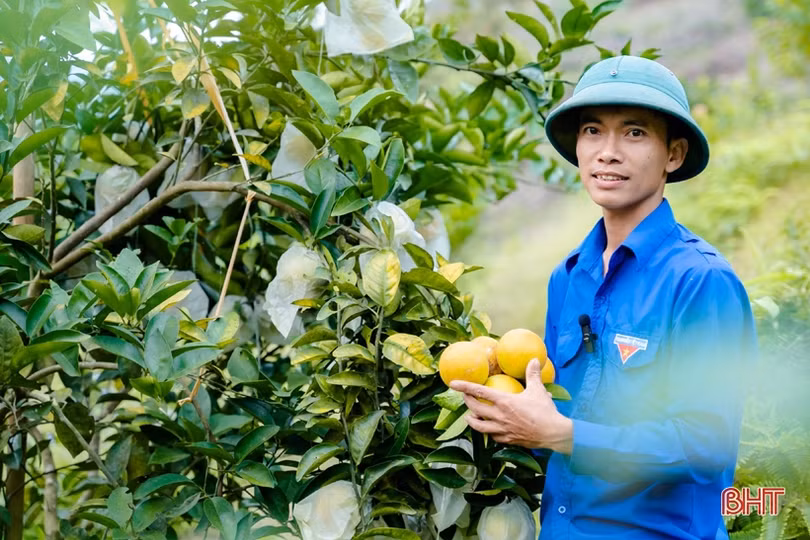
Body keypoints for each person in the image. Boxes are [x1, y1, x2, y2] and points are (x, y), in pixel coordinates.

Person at [449, 55, 757, 539]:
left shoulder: (700, 281)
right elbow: (555, 415)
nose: (607, 152)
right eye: (592, 131)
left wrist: (564, 435)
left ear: (673, 155)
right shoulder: (569, 276)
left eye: (634, 133)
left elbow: (707, 444)